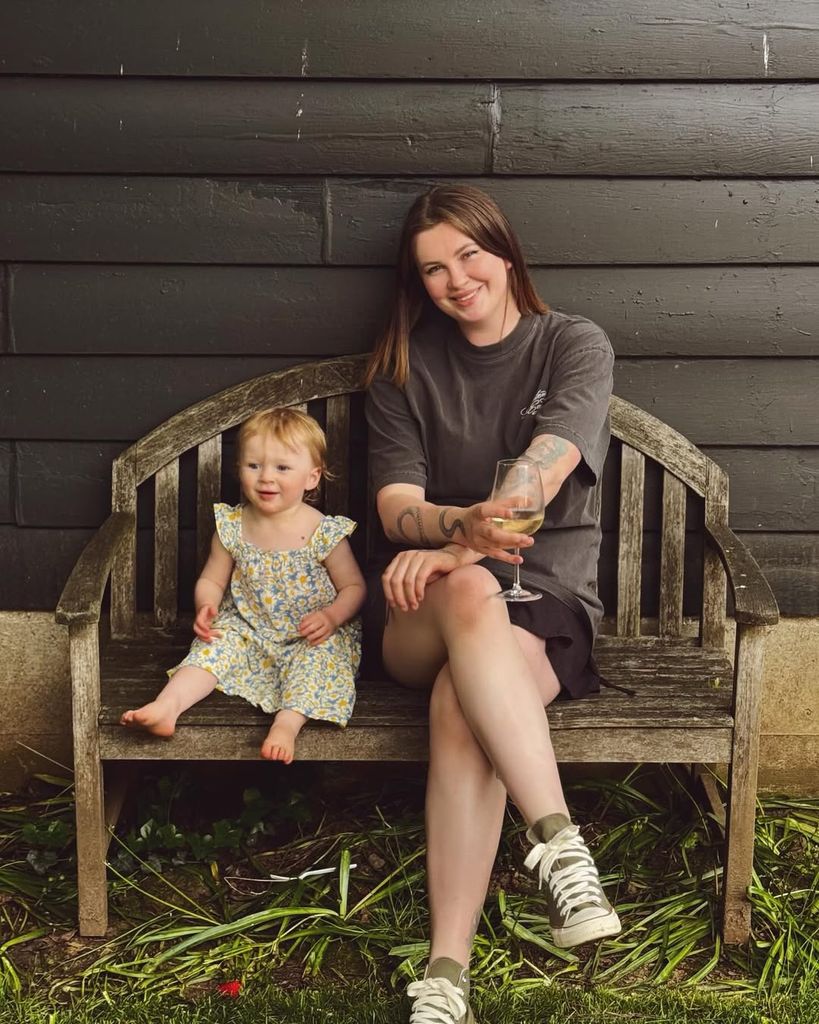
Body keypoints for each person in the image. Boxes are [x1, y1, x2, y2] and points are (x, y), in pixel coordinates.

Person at [363, 184, 621, 1023]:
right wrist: (447, 539)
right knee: (468, 589)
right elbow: (394, 503)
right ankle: (558, 842)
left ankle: (446, 974)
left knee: (459, 702)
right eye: (433, 269)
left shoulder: (572, 345)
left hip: (543, 609)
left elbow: (543, 466)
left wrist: (454, 542)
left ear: (504, 253)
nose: (455, 279)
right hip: (422, 612)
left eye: (468, 255)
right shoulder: (402, 371)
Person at [121, 408, 366, 764]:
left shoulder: (323, 531)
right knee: (212, 646)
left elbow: (354, 587)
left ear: (312, 478)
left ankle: (287, 724)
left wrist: (331, 617)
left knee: (321, 663)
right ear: (240, 469)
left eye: (282, 468)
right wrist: (207, 605)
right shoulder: (233, 526)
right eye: (254, 466)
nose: (266, 477)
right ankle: (168, 706)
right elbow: (212, 578)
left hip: (308, 635)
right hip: (250, 628)